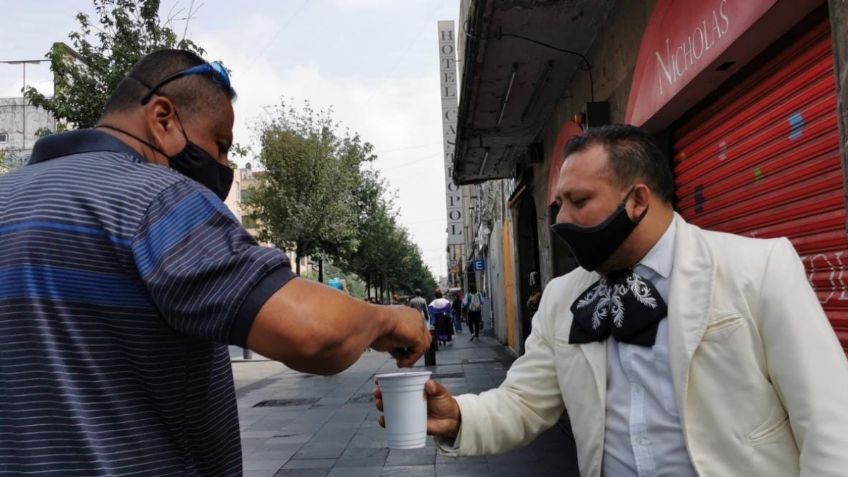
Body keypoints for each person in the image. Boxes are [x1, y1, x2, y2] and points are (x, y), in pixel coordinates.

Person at [0, 49, 430, 476]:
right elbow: (316, 335)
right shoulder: (154, 196)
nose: (224, 167)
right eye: (221, 146)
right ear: (163, 119)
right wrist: (391, 320)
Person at [376, 124, 848, 476]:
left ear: (637, 200)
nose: (561, 219)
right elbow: (524, 402)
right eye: (558, 204)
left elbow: (830, 424)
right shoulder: (563, 297)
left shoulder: (758, 268)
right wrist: (457, 416)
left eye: (578, 201)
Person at [409, 288, 436, 365]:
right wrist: (427, 316)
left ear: (415, 293)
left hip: (414, 316)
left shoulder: (412, 301)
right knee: (423, 329)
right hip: (422, 316)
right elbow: (425, 309)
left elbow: (410, 309)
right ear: (420, 293)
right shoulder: (423, 300)